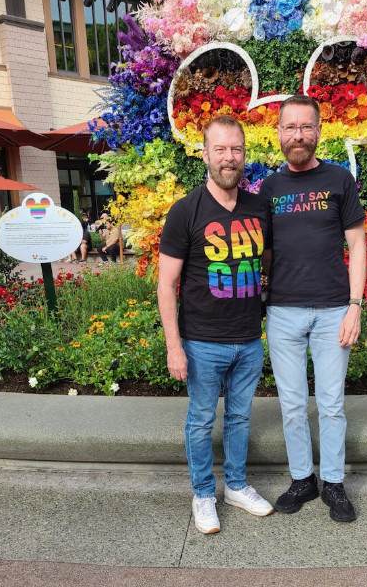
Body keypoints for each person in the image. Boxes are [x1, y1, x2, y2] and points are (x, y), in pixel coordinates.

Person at [158, 115, 273, 535]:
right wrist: (174, 346)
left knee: (240, 418)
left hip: (247, 339)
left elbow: (269, 261)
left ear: (245, 155)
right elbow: (166, 284)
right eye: (220, 149)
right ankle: (204, 493)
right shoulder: (185, 211)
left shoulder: (259, 207)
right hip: (202, 342)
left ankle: (236, 487)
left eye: (236, 149)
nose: (229, 157)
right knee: (202, 420)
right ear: (204, 154)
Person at [259, 95, 366, 522]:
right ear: (279, 133)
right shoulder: (269, 188)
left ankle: (334, 484)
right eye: (290, 127)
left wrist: (355, 307)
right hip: (282, 311)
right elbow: (262, 251)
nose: (298, 135)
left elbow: (357, 245)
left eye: (306, 127)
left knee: (332, 403)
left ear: (319, 132)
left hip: (333, 310)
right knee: (290, 403)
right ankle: (303, 479)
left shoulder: (340, 180)